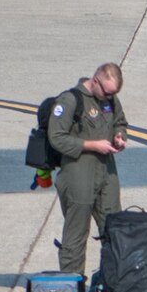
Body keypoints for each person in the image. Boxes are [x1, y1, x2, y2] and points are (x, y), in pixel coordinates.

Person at [46, 62, 127, 275]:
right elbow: (56, 138)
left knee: (115, 229)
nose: (109, 96)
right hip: (78, 172)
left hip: (106, 172)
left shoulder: (110, 98)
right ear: (96, 80)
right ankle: (73, 287)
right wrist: (92, 145)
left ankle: (116, 284)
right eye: (107, 92)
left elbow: (120, 121)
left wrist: (119, 136)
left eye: (113, 93)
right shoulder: (70, 100)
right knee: (76, 234)